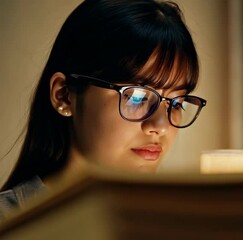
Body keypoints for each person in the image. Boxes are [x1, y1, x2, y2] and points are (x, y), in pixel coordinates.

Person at [0, 0, 206, 219]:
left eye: (177, 103)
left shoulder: (174, 222)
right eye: (136, 97)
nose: (161, 126)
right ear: (64, 95)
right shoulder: (10, 222)